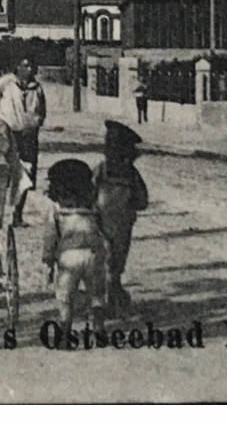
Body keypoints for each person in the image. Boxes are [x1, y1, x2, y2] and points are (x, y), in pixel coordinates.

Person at [42, 158, 108, 334]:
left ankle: (65, 327)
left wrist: (48, 259)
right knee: (97, 292)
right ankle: (99, 325)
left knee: (65, 293)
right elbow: (105, 230)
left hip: (69, 257)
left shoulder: (56, 210)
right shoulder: (94, 207)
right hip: (94, 253)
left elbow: (50, 237)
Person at [93, 120, 149, 312]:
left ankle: (109, 290)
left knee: (106, 256)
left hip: (101, 220)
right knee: (117, 257)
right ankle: (113, 287)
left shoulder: (101, 169)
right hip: (123, 223)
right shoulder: (131, 174)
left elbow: (89, 191)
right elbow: (142, 200)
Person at [0, 58, 47, 223]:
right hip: (9, 135)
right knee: (3, 173)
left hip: (29, 136)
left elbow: (42, 111)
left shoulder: (37, 88)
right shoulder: (5, 83)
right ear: (18, 67)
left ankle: (18, 214)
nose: (30, 69)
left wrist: (35, 123)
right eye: (26, 65)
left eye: (31, 65)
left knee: (26, 174)